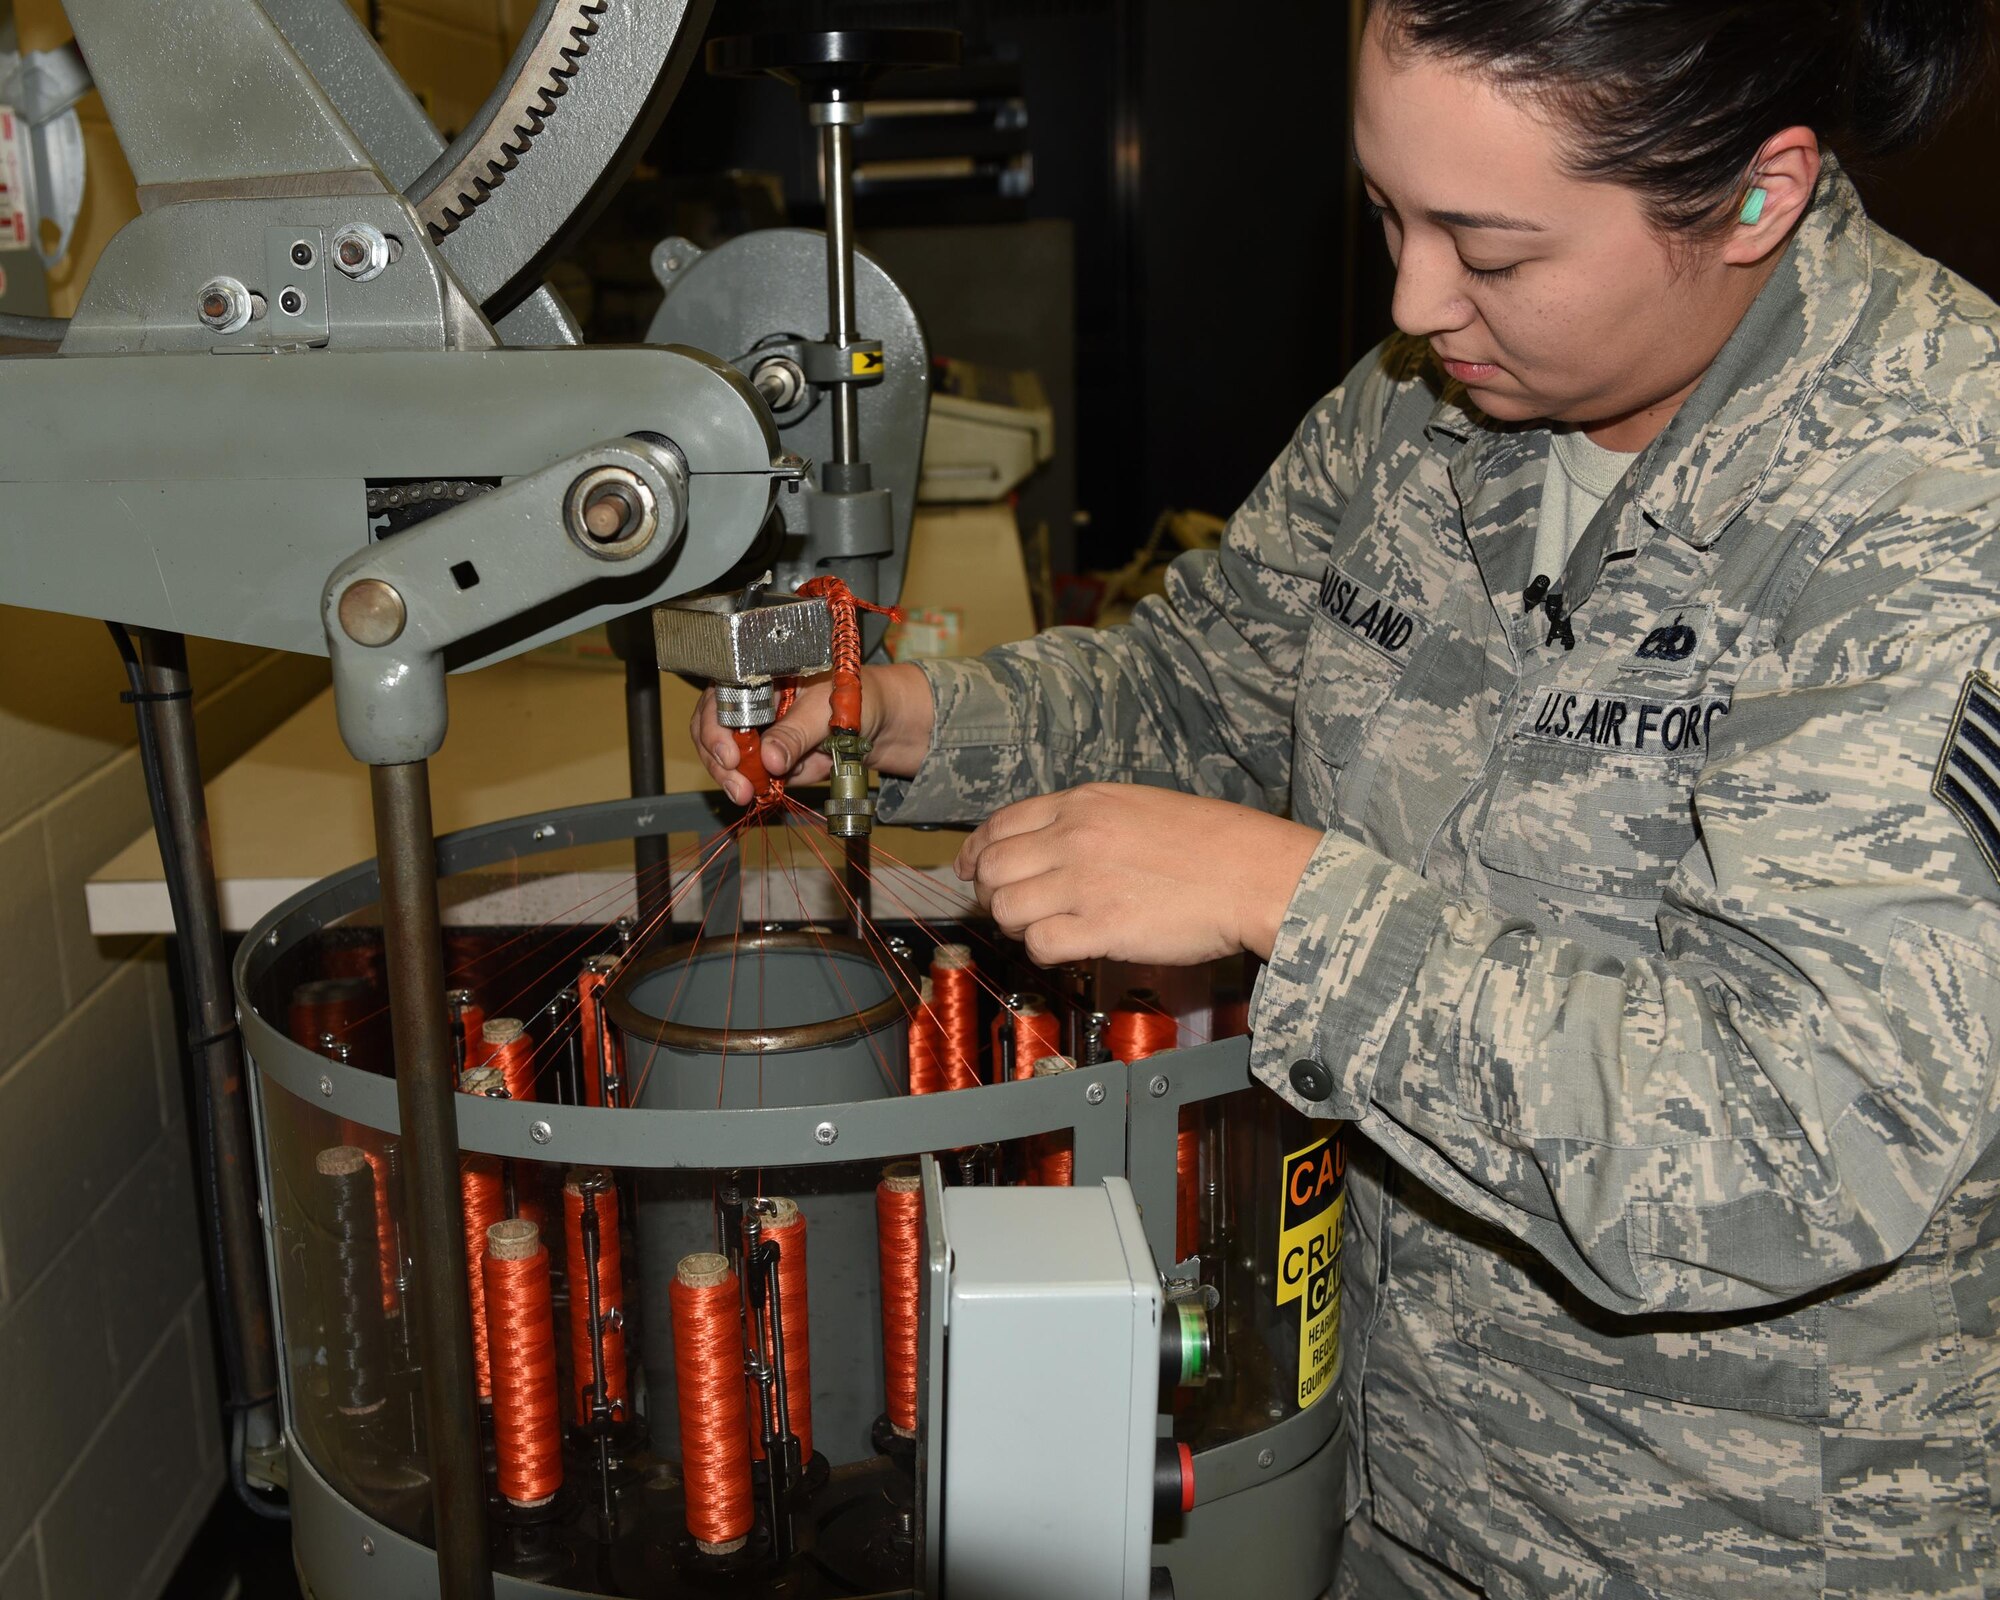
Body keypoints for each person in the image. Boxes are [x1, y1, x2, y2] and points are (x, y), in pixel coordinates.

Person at [695, 1, 2000, 1592]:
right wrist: (907, 722)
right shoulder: (1425, 407)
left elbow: (1792, 1136)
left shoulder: (1936, 504)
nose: (1414, 298)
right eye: (1387, 213)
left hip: (1726, 1549)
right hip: (1382, 1485)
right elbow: (1203, 685)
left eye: (1491, 249)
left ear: (1758, 195)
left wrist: (1285, 899)